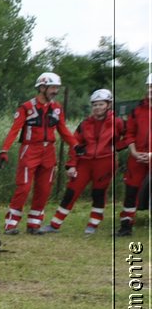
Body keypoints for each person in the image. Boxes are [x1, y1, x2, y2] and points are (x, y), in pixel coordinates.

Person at [0, 72, 78, 235]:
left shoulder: (57, 108)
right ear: (42, 87)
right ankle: (11, 224)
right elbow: (15, 130)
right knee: (24, 187)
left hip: (49, 151)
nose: (55, 91)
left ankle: (34, 224)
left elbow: (63, 129)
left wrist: (75, 145)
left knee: (44, 189)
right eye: (52, 88)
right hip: (30, 150)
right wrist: (4, 150)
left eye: (57, 88)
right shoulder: (26, 107)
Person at [46, 90, 123, 234]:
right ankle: (55, 224)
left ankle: (93, 224)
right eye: (94, 105)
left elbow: (127, 138)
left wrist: (116, 148)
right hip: (85, 162)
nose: (97, 107)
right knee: (71, 191)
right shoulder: (85, 124)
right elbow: (75, 144)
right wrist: (71, 165)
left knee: (99, 193)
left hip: (105, 162)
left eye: (101, 104)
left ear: (109, 105)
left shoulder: (117, 122)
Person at [120, 75, 152, 236]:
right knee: (131, 190)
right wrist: (133, 151)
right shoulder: (137, 110)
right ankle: (126, 226)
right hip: (137, 156)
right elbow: (129, 133)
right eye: (149, 86)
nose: (150, 90)